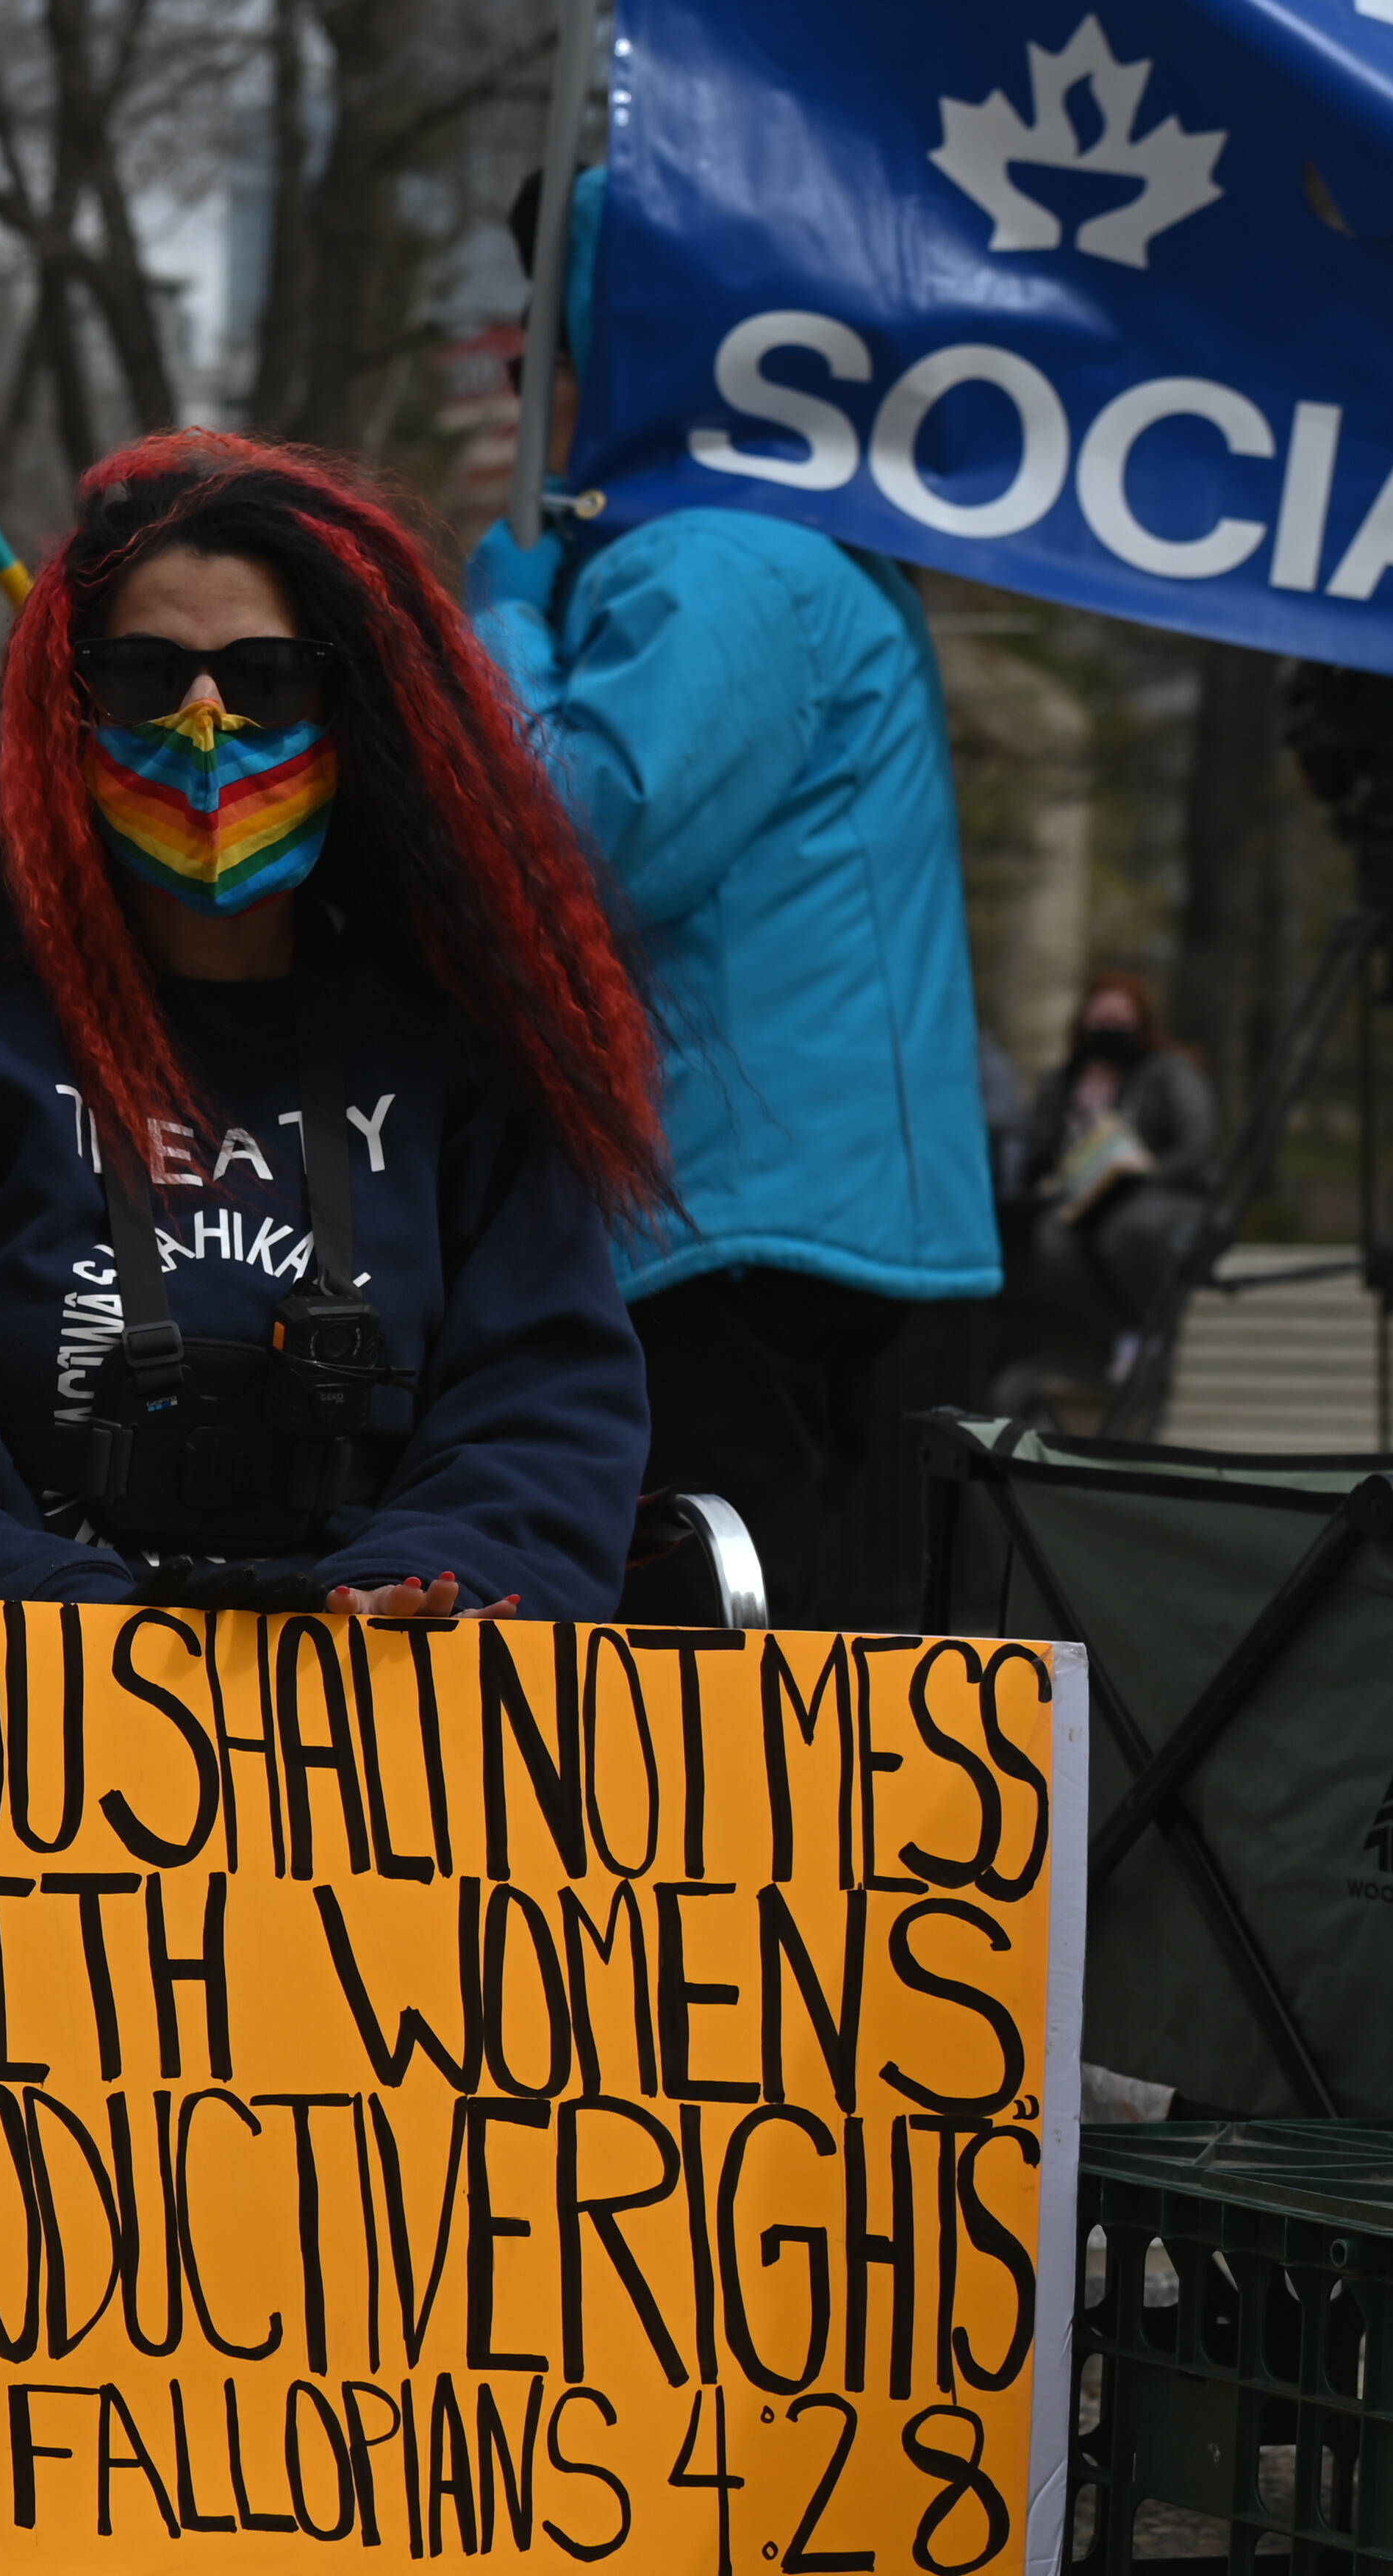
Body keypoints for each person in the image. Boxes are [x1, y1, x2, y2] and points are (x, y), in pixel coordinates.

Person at [0, 429, 662, 2576]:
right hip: (22, 1742)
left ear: (358, 707)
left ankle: (531, 2465)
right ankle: (107, 2505)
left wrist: (435, 1591)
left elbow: (547, 1402)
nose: (208, 727)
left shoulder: (454, 1059)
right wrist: (81, 1631)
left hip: (397, 1725)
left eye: (263, 676)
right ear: (63, 716)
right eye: (147, 679)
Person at [468, 169, 995, 1628]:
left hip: (741, 1228)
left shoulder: (720, 557)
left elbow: (582, 844)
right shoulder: (783, 543)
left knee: (721, 1688)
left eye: (545, 352)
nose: (524, 391)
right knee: (842, 1675)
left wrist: (496, 626)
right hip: (819, 1218)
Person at [1016, 970, 1217, 1394]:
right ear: (1083, 1022)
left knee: (1126, 1231)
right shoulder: (1061, 1083)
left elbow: (1198, 1143)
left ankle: (1159, 1333)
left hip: (1161, 1195)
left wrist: (1146, 1173)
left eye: (1122, 1019)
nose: (1111, 1029)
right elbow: (1039, 1146)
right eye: (1102, 1018)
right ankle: (1128, 1332)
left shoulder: (1168, 1071)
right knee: (1051, 1244)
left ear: (1142, 1022)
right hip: (1083, 1199)